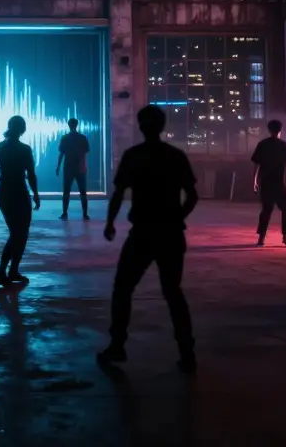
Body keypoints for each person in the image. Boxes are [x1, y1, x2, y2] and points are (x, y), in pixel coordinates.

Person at [100, 105, 198, 373]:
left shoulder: (134, 156)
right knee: (173, 292)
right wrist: (176, 217)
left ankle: (117, 345)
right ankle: (187, 351)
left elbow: (119, 193)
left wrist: (110, 223)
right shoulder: (175, 156)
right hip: (170, 234)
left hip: (143, 232)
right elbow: (192, 196)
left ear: (141, 126)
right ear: (162, 126)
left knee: (123, 288)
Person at [0, 116, 41, 286]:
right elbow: (31, 174)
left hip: (5, 191)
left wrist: (1, 179)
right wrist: (36, 193)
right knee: (21, 232)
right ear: (22, 129)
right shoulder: (24, 149)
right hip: (20, 191)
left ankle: (10, 271)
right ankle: (5, 271)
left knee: (16, 232)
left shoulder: (0, 147)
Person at [250, 119, 286, 248]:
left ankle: (261, 238)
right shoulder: (284, 145)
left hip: (266, 183)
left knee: (266, 210)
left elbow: (256, 165)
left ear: (269, 130)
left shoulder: (262, 144)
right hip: (280, 183)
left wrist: (254, 181)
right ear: (281, 130)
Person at [55, 117, 91, 220]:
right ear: (77, 125)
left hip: (68, 167)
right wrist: (83, 165)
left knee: (66, 191)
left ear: (69, 125)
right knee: (83, 192)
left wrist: (58, 166)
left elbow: (61, 153)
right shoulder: (83, 138)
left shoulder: (65, 138)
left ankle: (64, 213)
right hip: (80, 167)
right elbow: (86, 152)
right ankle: (85, 214)